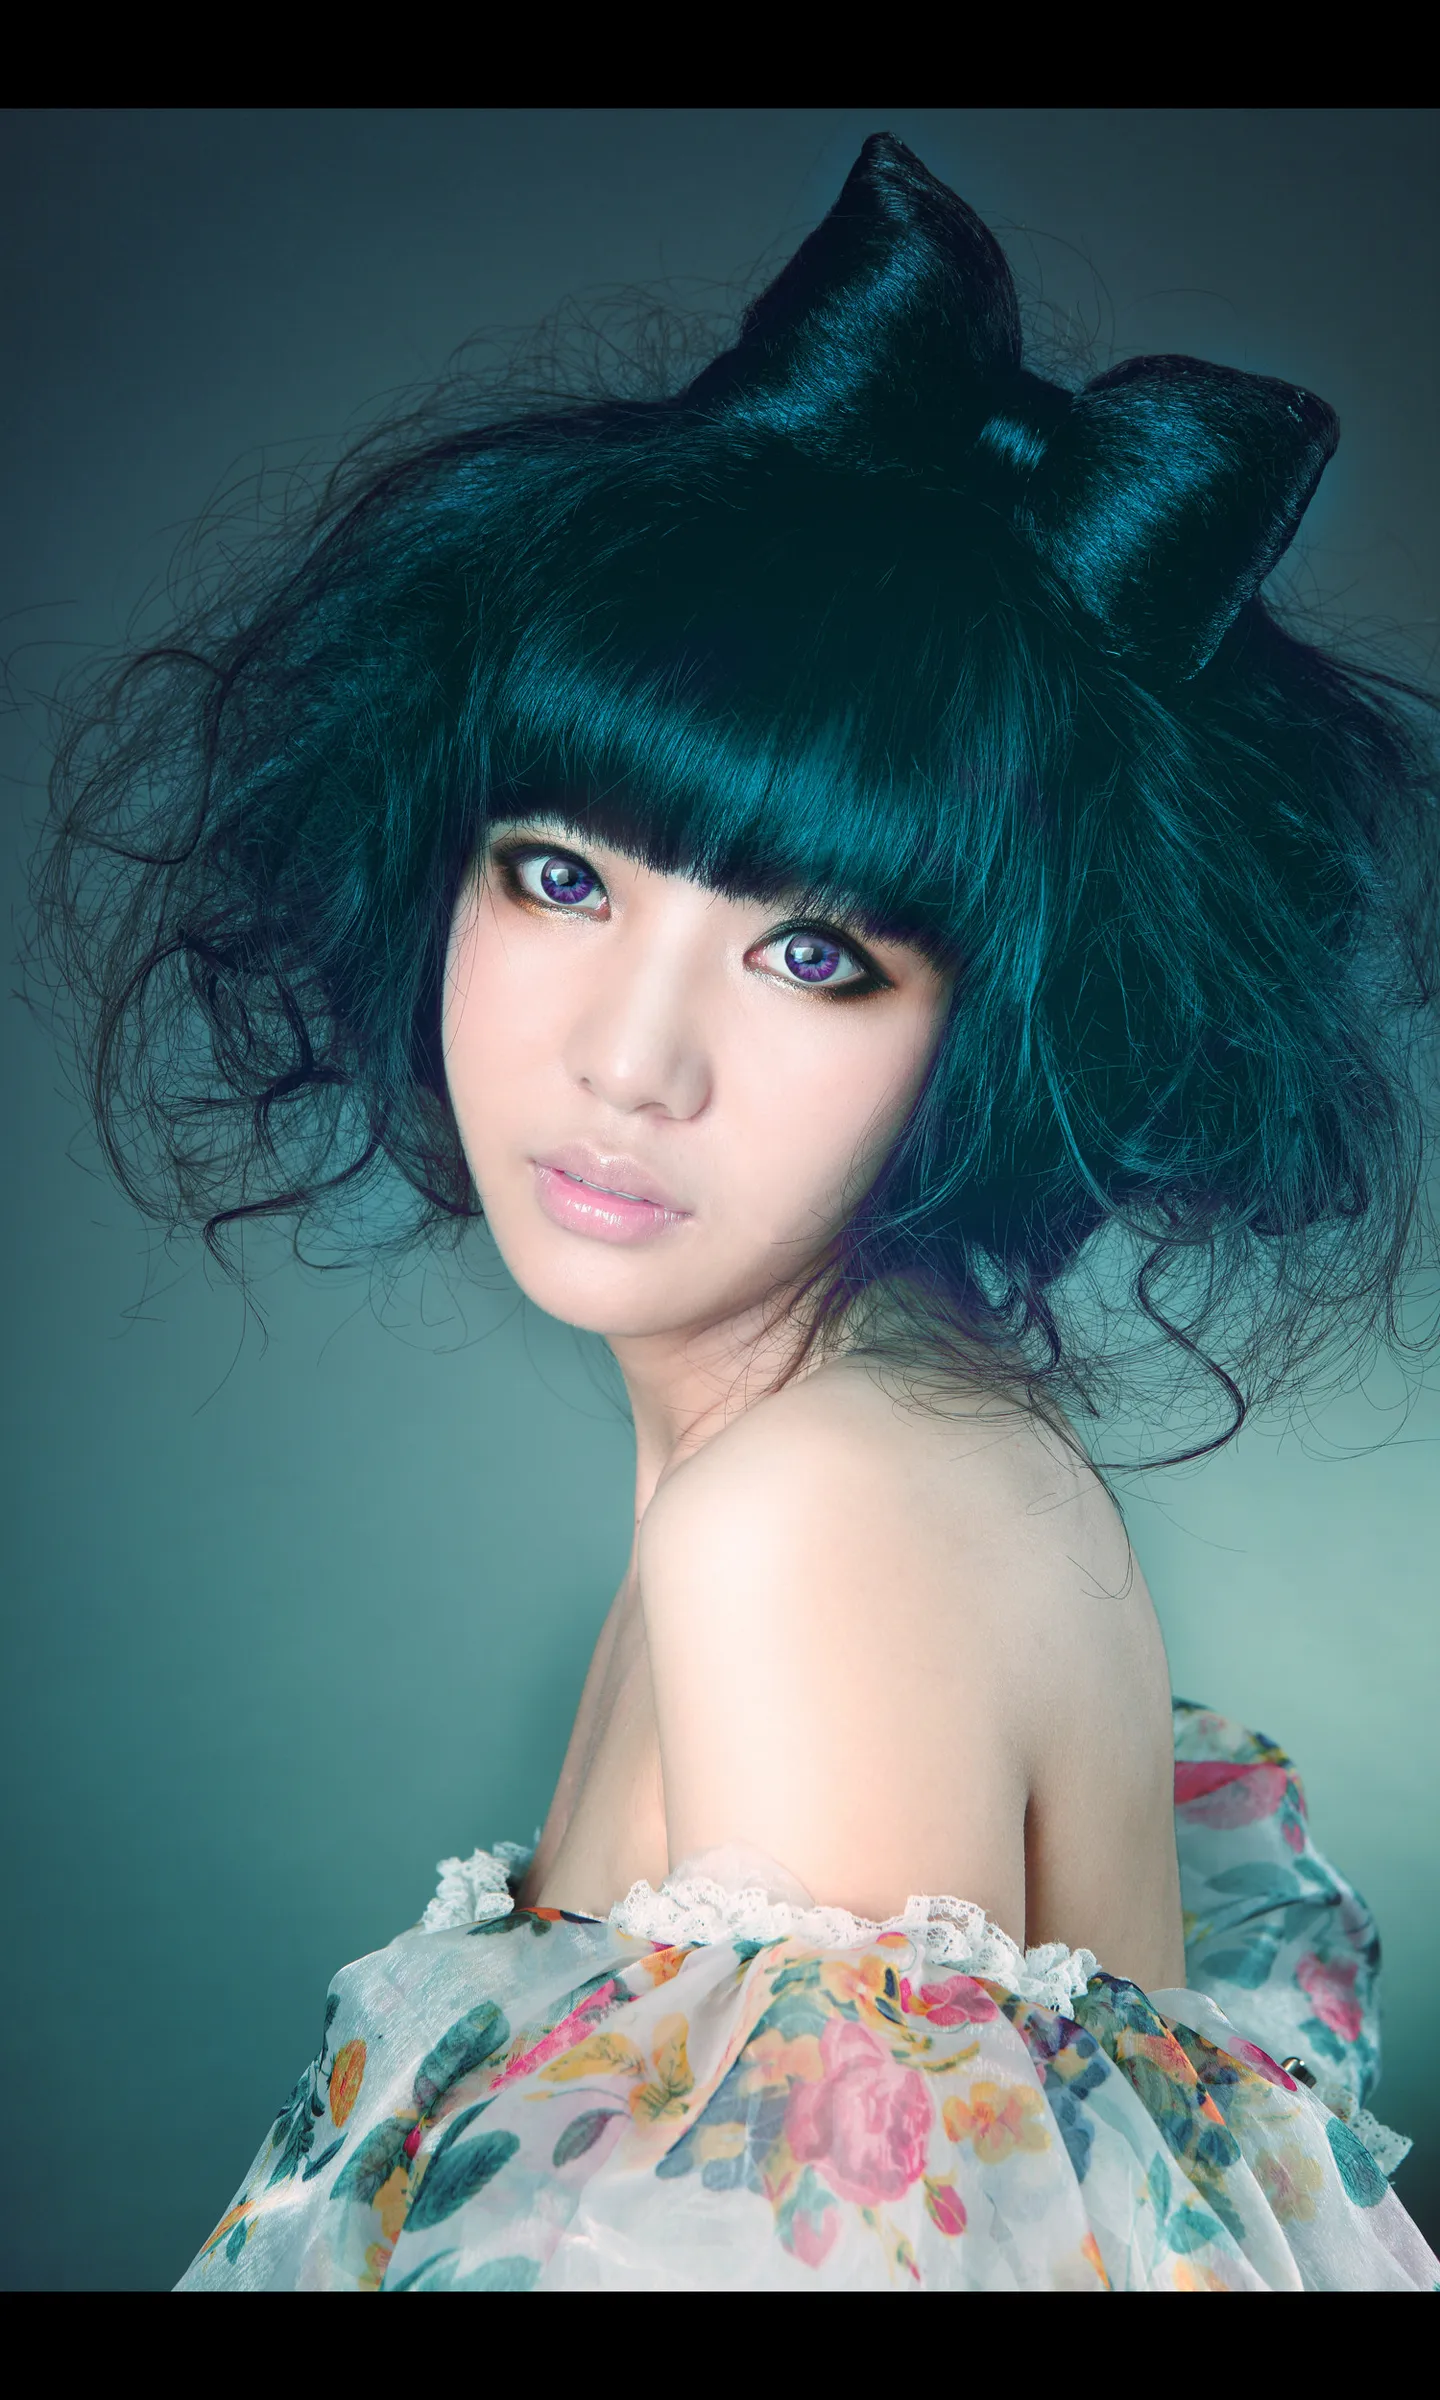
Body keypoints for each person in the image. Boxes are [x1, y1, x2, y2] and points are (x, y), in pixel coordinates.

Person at [31, 133, 1440, 2291]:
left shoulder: (807, 1524)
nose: (629, 1058)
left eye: (813, 953)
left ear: (1009, 1021)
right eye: (560, 876)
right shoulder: (839, 1445)